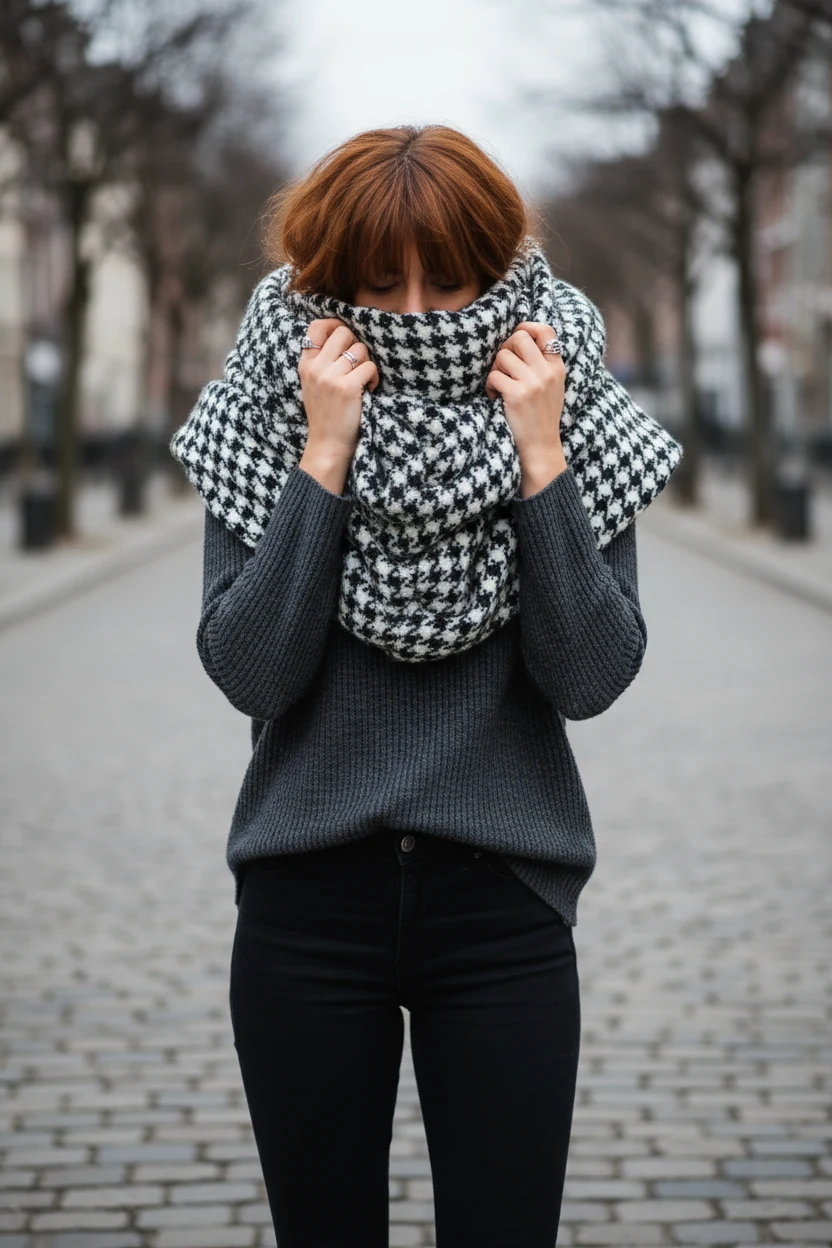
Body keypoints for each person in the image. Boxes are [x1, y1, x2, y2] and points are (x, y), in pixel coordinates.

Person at [177, 124, 663, 1247]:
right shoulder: (265, 405)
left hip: (506, 908)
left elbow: (589, 675)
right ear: (324, 285)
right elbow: (251, 665)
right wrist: (322, 461)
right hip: (306, 903)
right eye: (376, 283)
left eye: (450, 282)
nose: (415, 314)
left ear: (499, 274)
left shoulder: (573, 405)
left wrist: (541, 463)